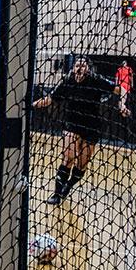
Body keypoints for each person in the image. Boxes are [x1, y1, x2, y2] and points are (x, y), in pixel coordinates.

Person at [33, 56, 129, 204]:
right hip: (72, 124)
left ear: (88, 69)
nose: (80, 68)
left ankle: (68, 186)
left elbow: (121, 89)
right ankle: (57, 194)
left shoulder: (96, 80)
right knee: (69, 157)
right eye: (77, 65)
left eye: (83, 66)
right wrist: (31, 105)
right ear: (73, 68)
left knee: (82, 163)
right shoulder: (67, 82)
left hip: (92, 126)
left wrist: (122, 105)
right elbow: (50, 99)